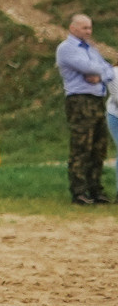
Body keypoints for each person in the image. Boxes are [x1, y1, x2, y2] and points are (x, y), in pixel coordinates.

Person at [57, 12, 114, 206]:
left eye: (90, 28)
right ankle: (79, 192)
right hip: (80, 101)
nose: (88, 31)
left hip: (97, 99)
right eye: (84, 28)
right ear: (73, 28)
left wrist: (101, 75)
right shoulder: (67, 49)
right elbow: (88, 67)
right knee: (82, 146)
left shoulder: (90, 48)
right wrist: (100, 71)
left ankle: (96, 189)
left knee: (98, 147)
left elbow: (107, 69)